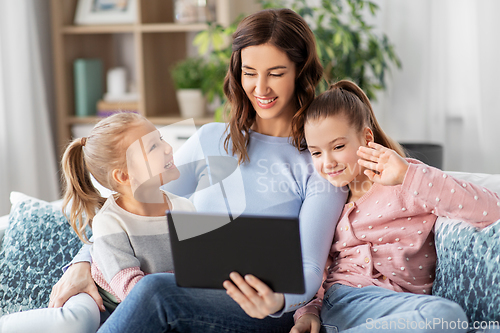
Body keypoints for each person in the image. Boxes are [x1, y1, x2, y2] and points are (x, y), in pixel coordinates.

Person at [49, 8, 347, 333]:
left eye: (276, 73)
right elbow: (135, 203)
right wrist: (83, 261)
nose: (260, 88)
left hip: (263, 311)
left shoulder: (322, 163)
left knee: (155, 290)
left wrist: (278, 301)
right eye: (250, 72)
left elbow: (310, 267)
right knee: (153, 291)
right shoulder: (211, 140)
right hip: (190, 297)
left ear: (300, 72)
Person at [289, 80, 500, 333]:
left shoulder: (408, 180)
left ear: (366, 138)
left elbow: (492, 209)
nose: (328, 162)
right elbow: (317, 269)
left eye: (338, 147)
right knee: (445, 315)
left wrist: (407, 175)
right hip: (345, 301)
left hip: (403, 312)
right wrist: (307, 313)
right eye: (316, 153)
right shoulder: (328, 199)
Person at [0, 113, 195, 333]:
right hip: (100, 298)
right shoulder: (110, 222)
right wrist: (180, 284)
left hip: (157, 303)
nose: (168, 148)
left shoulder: (185, 208)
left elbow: (199, 267)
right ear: (123, 176)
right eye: (153, 147)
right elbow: (131, 290)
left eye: (160, 139)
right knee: (77, 320)